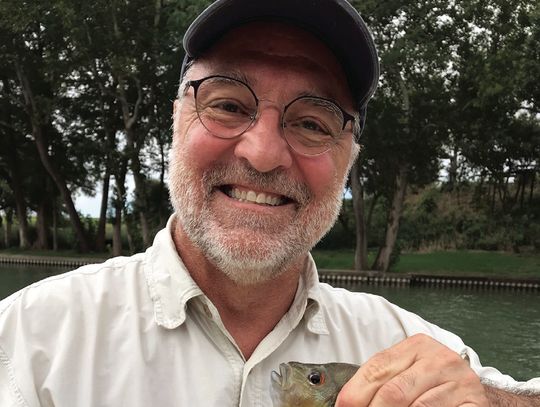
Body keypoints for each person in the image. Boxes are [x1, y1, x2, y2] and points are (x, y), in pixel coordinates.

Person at [1, 0, 538, 405]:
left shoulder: (410, 345)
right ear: (176, 121)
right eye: (229, 104)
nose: (261, 155)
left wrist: (492, 401)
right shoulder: (26, 340)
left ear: (349, 157)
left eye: (310, 122)